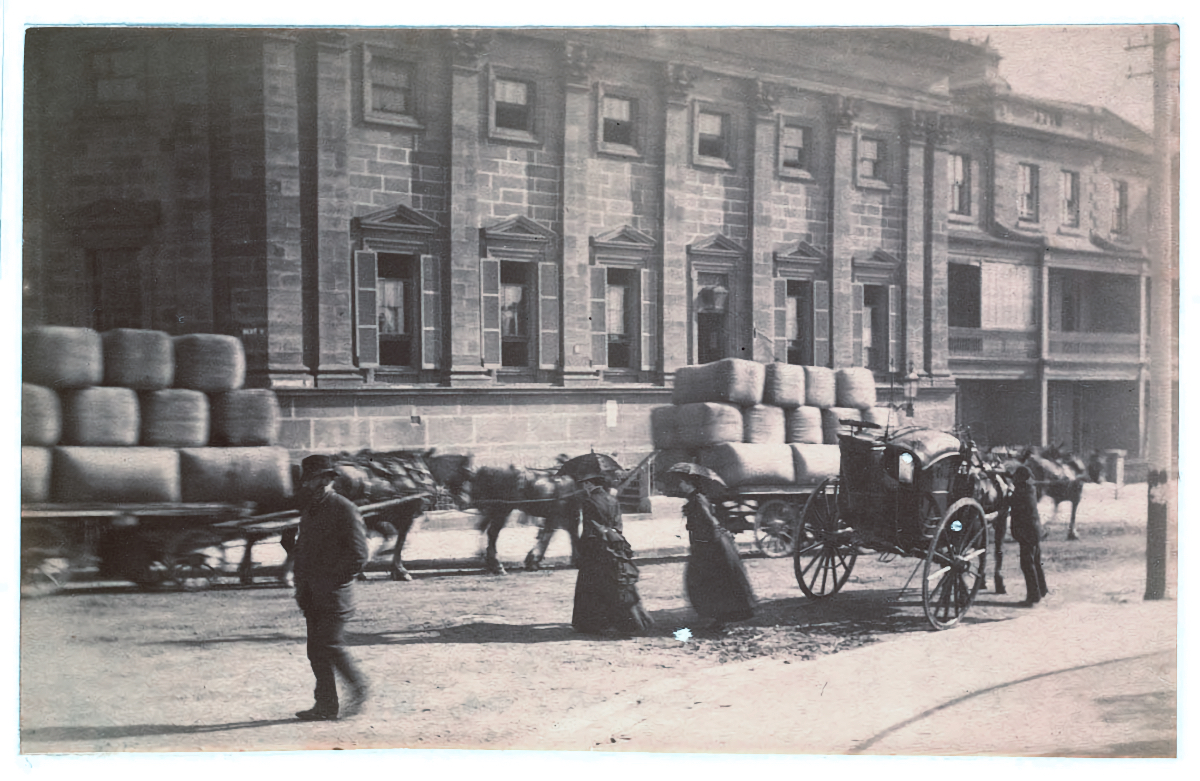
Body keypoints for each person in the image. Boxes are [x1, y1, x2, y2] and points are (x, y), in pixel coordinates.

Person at [291, 454, 371, 721]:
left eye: (314, 480)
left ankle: (359, 688)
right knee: (316, 651)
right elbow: (304, 550)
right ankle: (325, 706)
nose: (308, 485)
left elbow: (359, 555)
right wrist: (301, 584)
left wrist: (331, 581)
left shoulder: (344, 508)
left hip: (334, 595)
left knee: (330, 645)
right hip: (312, 593)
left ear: (327, 480)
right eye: (307, 480)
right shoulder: (311, 509)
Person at [570, 474, 654, 637]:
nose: (584, 487)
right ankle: (630, 621)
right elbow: (618, 526)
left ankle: (592, 623)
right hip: (614, 546)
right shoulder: (612, 500)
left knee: (591, 586)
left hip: (595, 549)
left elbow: (589, 529)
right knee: (615, 584)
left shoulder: (589, 501)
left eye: (585, 484)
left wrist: (582, 549)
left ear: (590, 484)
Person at [679, 479, 756, 625]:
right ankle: (718, 616)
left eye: (683, 482)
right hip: (706, 543)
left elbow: (709, 521)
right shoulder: (695, 499)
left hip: (709, 545)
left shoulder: (698, 499)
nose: (681, 485)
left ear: (690, 483)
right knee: (711, 581)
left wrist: (716, 536)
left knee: (712, 581)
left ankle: (720, 616)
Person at [1009, 464, 1049, 607]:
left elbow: (1009, 502)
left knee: (1027, 564)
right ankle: (1042, 589)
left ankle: (1033, 596)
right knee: (1036, 561)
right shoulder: (1030, 488)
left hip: (1027, 533)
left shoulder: (1021, 492)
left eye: (1015, 477)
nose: (1013, 479)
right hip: (1034, 531)